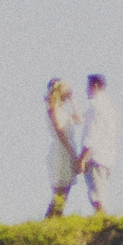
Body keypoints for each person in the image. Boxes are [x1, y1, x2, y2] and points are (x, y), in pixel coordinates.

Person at [43, 78, 83, 218]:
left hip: (67, 149)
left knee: (65, 190)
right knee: (60, 191)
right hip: (61, 151)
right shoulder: (53, 109)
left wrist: (72, 101)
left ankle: (56, 218)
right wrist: (73, 153)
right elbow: (60, 131)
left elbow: (79, 119)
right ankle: (51, 219)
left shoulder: (63, 109)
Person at [79, 73, 117, 214]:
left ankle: (103, 223)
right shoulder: (109, 105)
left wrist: (82, 158)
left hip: (95, 156)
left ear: (94, 86)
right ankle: (102, 220)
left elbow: (91, 134)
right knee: (101, 192)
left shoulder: (95, 105)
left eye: (87, 87)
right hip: (108, 155)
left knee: (96, 196)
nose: (86, 90)